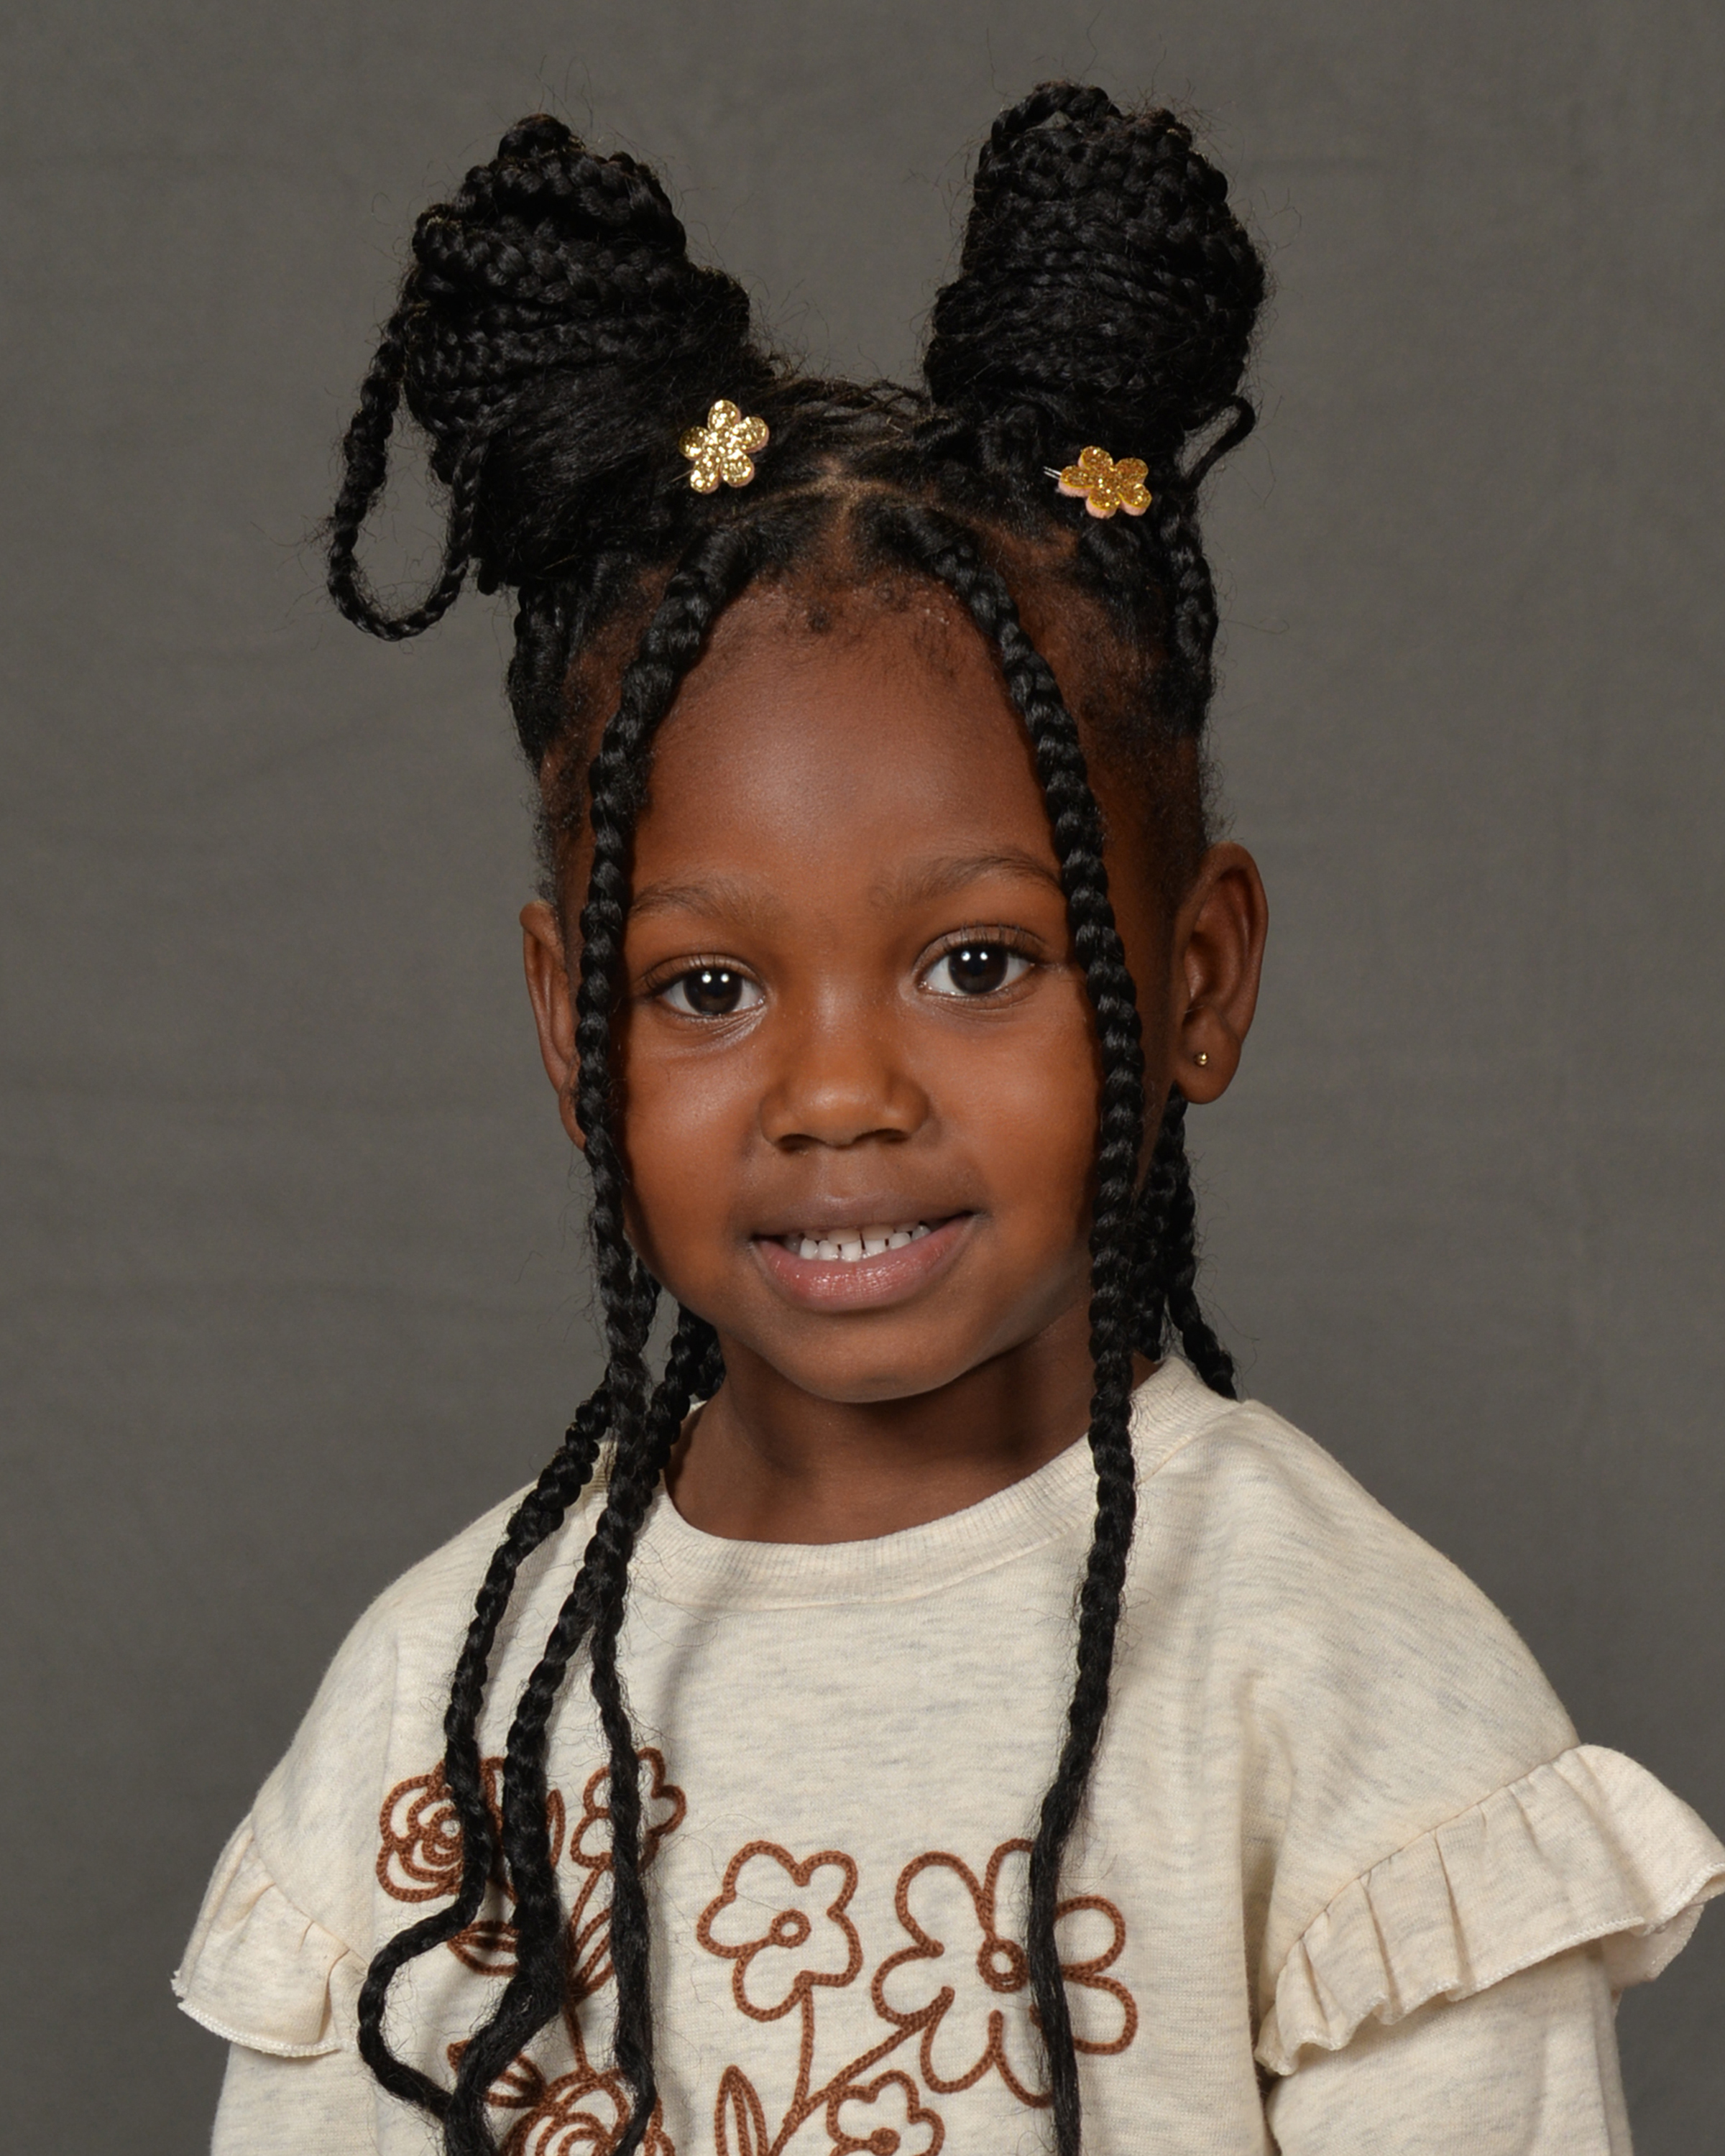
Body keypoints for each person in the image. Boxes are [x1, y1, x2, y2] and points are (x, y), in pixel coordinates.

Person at [173, 83, 1723, 2156]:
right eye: (708, 990)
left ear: (1197, 977)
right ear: (569, 1028)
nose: (839, 1096)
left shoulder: (1346, 1696)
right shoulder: (433, 1704)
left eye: (979, 962)